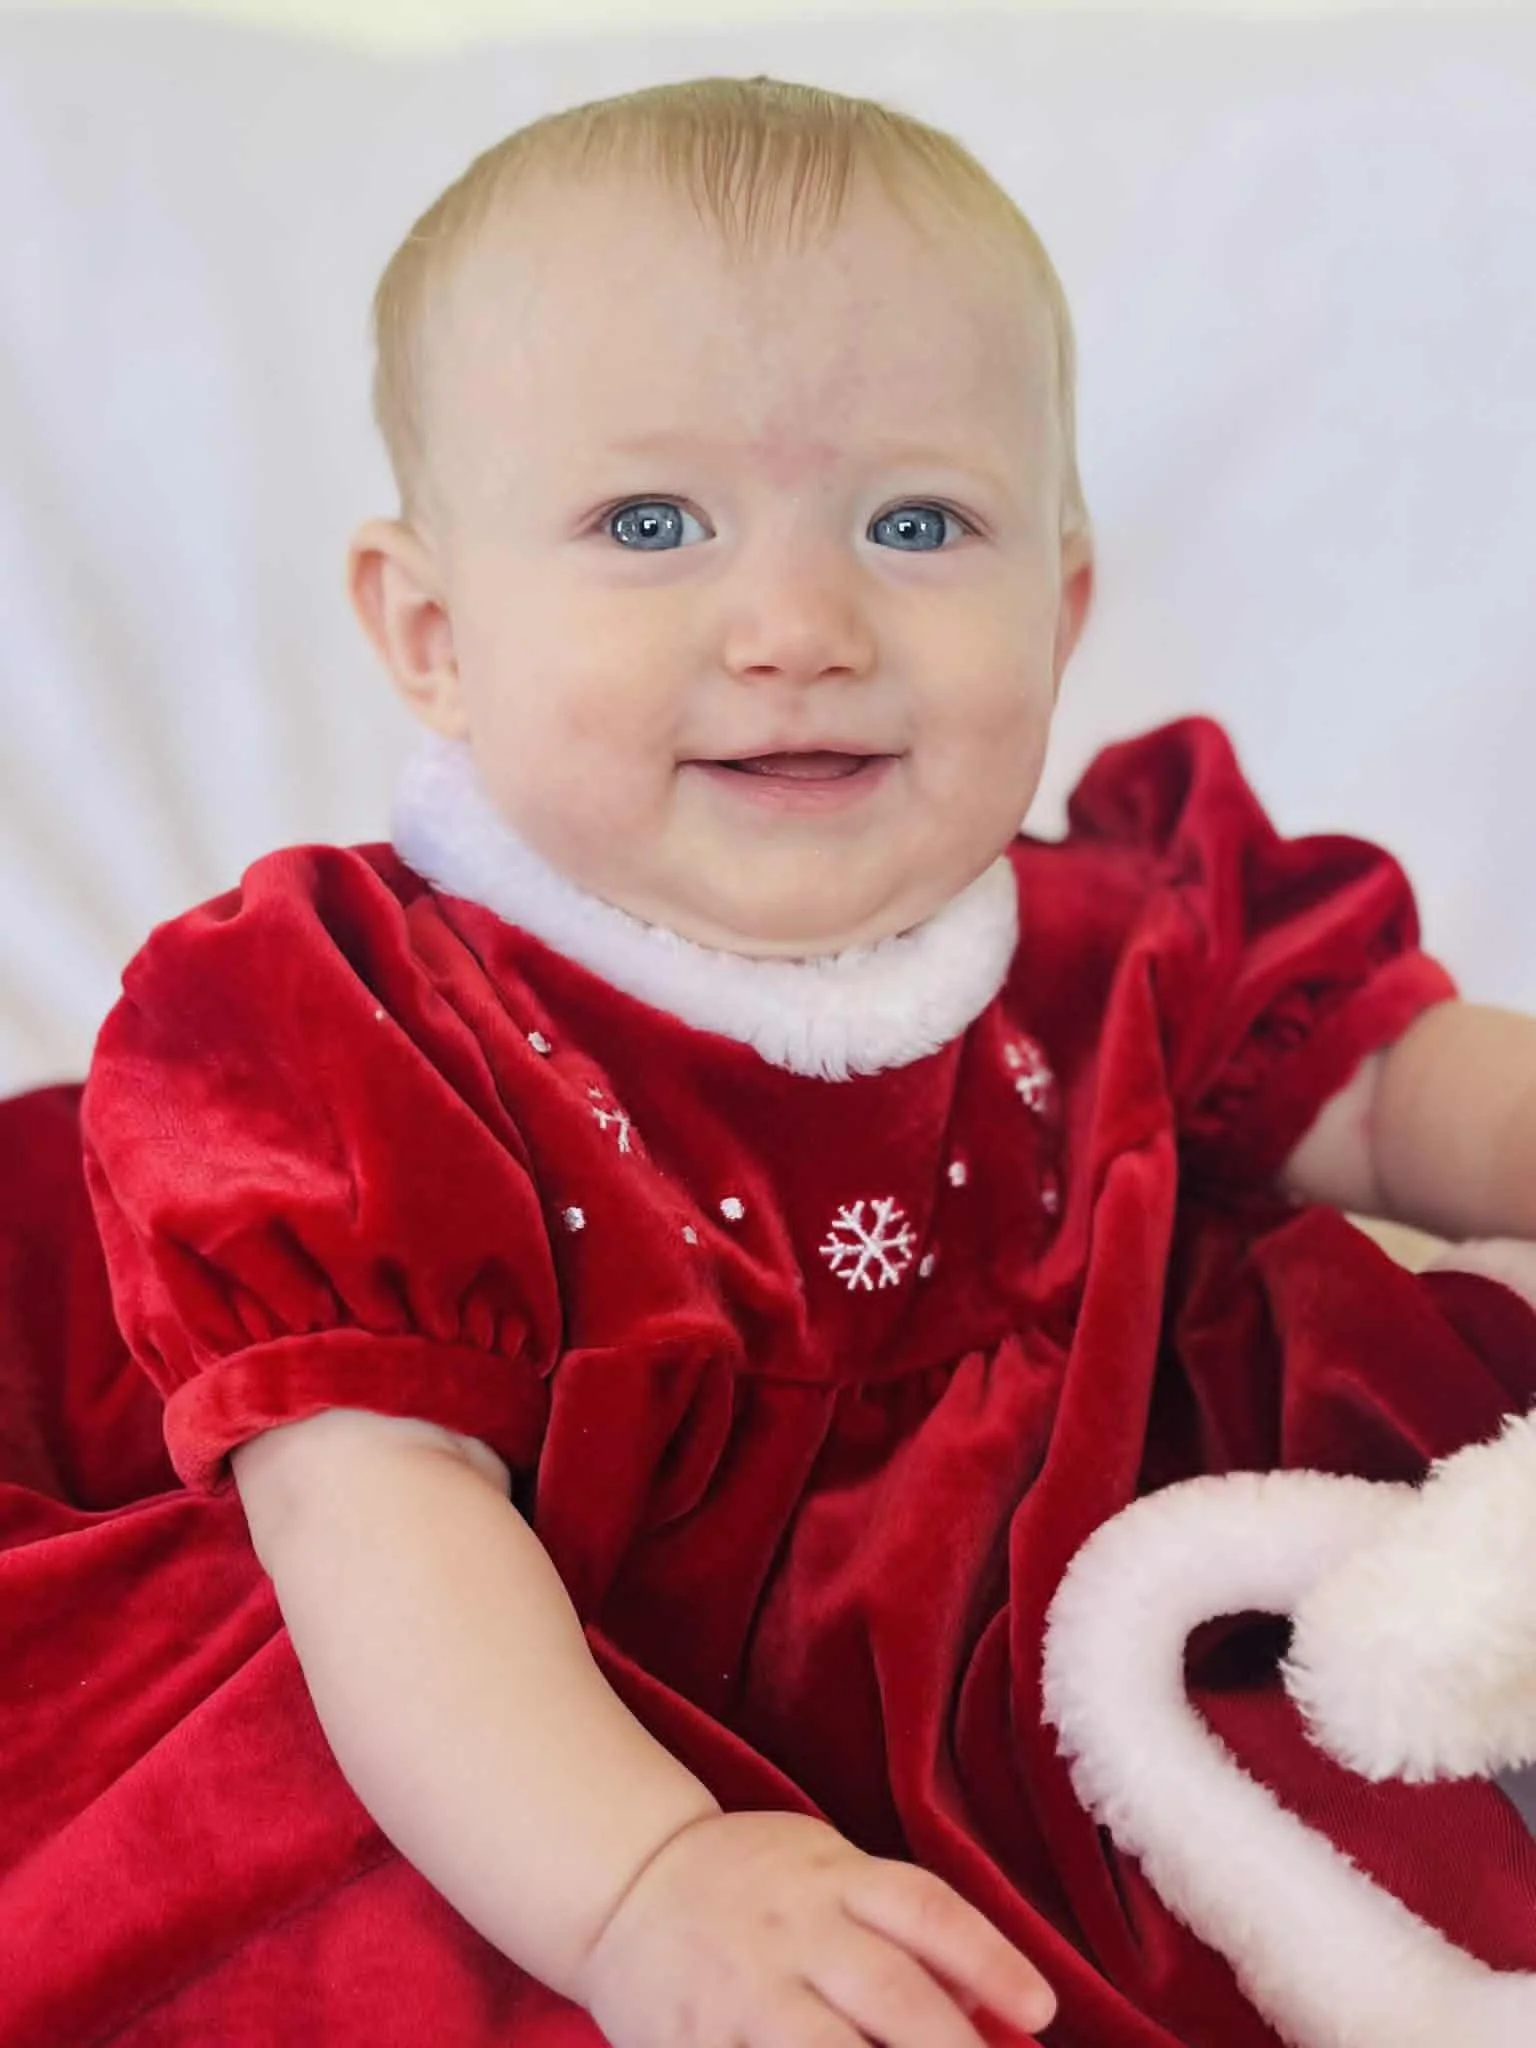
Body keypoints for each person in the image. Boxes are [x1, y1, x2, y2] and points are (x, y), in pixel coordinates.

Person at [4, 73, 1536, 2048]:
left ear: (1059, 610)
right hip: (522, 1687)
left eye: (919, 521)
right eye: (653, 524)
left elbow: (1396, 1089)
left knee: (1395, 1737)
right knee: (376, 1921)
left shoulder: (1127, 933)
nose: (798, 622)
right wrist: (642, 1880)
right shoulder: (367, 1046)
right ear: (434, 630)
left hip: (1045, 1600)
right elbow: (376, 1523)